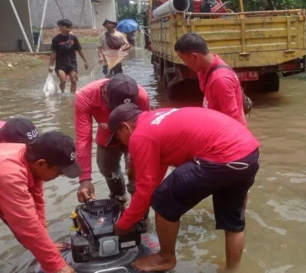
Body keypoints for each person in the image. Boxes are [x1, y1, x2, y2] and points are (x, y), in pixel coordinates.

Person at [107, 104, 260, 272]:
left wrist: (123, 225)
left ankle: (166, 257)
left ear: (125, 127)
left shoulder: (140, 135)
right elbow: (155, 173)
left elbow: (147, 189)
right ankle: (232, 269)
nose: (121, 143)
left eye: (117, 137)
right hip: (248, 153)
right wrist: (138, 210)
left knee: (162, 199)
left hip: (221, 156)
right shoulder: (157, 117)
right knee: (233, 222)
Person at [0, 132, 82, 273]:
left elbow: (37, 205)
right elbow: (26, 224)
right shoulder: (9, 175)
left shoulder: (29, 157)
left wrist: (47, 246)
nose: (59, 176)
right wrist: (57, 266)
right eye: (58, 173)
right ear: (41, 164)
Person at [74, 74, 150, 204]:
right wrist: (84, 178)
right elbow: (83, 139)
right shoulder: (85, 96)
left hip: (133, 135)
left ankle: (140, 213)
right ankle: (118, 199)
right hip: (107, 134)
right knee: (107, 169)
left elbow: (146, 131)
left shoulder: (141, 96)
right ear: (104, 93)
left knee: (138, 175)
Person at [174, 32, 248, 126]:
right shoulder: (205, 70)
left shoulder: (220, 80)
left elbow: (232, 121)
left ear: (194, 56)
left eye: (183, 60)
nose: (185, 64)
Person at [49, 19, 89, 93]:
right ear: (61, 28)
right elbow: (53, 53)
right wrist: (51, 65)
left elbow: (79, 50)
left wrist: (85, 61)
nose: (68, 29)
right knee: (63, 81)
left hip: (72, 63)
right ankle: (62, 92)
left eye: (70, 27)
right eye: (66, 27)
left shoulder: (73, 38)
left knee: (73, 79)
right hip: (61, 64)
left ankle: (72, 96)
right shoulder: (56, 39)